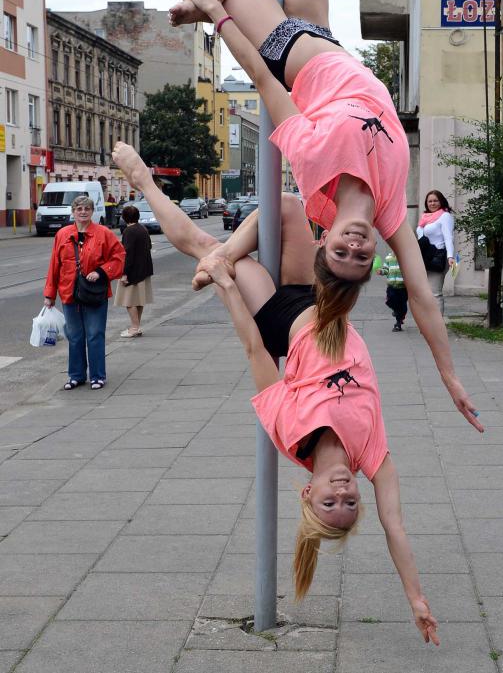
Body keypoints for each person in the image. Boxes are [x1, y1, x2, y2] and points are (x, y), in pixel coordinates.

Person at [107, 0, 483, 434]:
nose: (355, 249)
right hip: (331, 45)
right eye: (361, 258)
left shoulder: (313, 167)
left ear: (325, 242)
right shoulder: (387, 211)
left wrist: (219, 14)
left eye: (341, 254)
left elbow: (262, 80)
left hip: (292, 56)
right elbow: (426, 303)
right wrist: (450, 376)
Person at [111, 144, 438, 644]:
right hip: (324, 302)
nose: (345, 495)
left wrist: (224, 284)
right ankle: (217, 254)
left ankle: (146, 184)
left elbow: (255, 353)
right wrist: (415, 598)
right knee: (286, 206)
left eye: (332, 504)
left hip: (277, 319)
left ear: (310, 493)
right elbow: (396, 526)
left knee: (207, 246)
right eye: (351, 504)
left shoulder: (293, 436)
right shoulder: (372, 454)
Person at [43, 195, 125, 390]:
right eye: (79, 209)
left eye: (86, 209)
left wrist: (101, 272)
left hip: (94, 293)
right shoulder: (63, 235)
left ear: (92, 211)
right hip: (69, 293)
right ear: (73, 212)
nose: (83, 212)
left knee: (95, 334)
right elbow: (55, 265)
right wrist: (49, 294)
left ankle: (97, 376)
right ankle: (76, 375)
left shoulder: (103, 233)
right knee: (75, 336)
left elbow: (119, 257)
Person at [114, 204, 154, 337]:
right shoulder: (143, 229)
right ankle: (136, 326)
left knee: (129, 301)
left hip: (132, 272)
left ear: (124, 218)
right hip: (144, 270)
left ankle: (134, 327)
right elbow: (148, 246)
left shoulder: (128, 231)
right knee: (139, 300)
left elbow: (127, 253)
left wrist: (124, 273)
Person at [416, 190, 455, 315]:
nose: (432, 203)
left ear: (441, 201)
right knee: (425, 294)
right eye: (430, 201)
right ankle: (429, 323)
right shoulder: (425, 218)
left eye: (435, 200)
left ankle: (438, 326)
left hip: (438, 257)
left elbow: (448, 237)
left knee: (435, 293)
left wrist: (450, 256)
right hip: (424, 257)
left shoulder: (445, 216)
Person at [379, 250, 408, 332]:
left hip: (403, 286)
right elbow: (386, 269)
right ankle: (396, 311)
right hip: (391, 285)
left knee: (402, 305)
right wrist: (381, 271)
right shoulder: (388, 258)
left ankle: (398, 323)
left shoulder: (404, 257)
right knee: (390, 301)